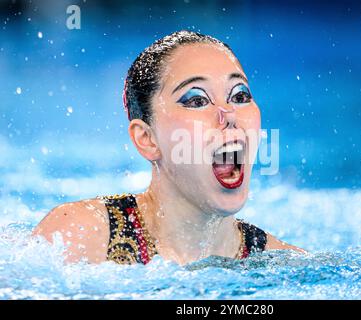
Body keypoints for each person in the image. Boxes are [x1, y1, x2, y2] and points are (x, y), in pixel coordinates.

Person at [33, 30, 306, 265]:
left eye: (240, 95)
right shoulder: (80, 237)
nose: (229, 114)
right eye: (197, 100)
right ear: (147, 139)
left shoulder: (278, 263)